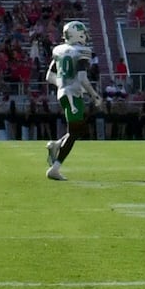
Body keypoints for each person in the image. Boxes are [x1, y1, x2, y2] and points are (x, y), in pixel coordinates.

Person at [44, 19, 100, 182]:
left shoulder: (59, 50)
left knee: (78, 130)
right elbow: (82, 78)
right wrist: (95, 95)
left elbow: (49, 76)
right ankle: (55, 169)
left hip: (62, 93)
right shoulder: (82, 51)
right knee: (75, 132)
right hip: (74, 94)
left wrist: (62, 85)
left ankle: (55, 145)